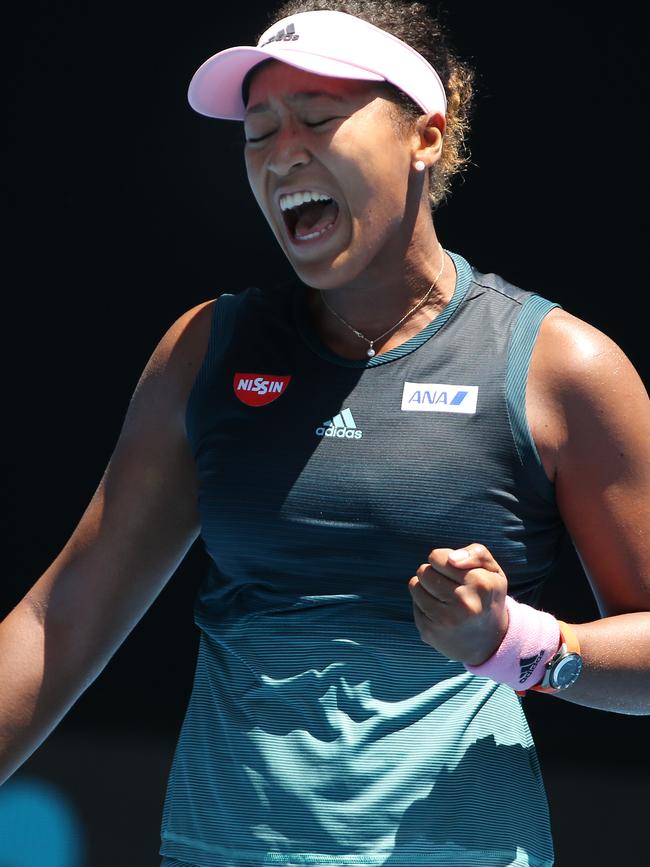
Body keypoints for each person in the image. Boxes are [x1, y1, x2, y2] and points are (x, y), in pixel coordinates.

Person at [1, 1, 649, 865]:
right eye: (258, 132)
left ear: (425, 137)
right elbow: (61, 619)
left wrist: (518, 645)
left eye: (316, 118)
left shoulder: (560, 367)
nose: (281, 156)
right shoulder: (208, 351)